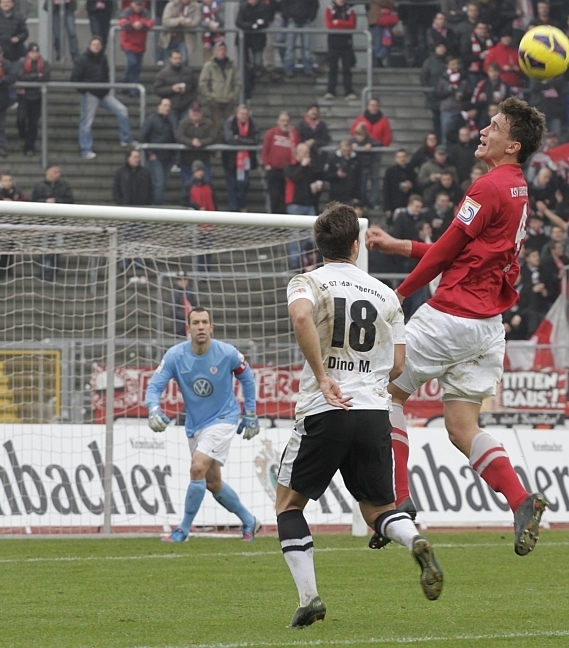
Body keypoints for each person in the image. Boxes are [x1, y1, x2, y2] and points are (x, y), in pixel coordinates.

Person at [364, 97, 549, 555]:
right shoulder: (516, 188)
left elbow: (448, 250)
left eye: (495, 127)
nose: (484, 131)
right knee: (462, 427)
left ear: (513, 144)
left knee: (384, 392)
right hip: (487, 328)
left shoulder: (487, 187)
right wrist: (400, 245)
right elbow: (462, 250)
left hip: (450, 317)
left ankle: (398, 500)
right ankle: (520, 500)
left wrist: (400, 292)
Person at [280, 205, 443, 629]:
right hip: (373, 414)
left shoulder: (308, 281)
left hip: (326, 408)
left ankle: (309, 598)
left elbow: (301, 316)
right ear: (356, 245)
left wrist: (324, 376)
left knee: (289, 504)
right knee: (378, 510)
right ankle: (414, 538)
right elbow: (398, 365)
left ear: (319, 245)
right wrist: (366, 376)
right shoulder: (385, 294)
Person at [145, 307, 262, 544]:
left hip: (224, 418)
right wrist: (153, 409)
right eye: (196, 322)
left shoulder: (227, 353)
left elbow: (247, 378)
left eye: (204, 322)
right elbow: (154, 386)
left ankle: (182, 530)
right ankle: (249, 520)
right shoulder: (175, 356)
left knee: (197, 468)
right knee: (213, 482)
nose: (200, 326)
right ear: (188, 328)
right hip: (195, 424)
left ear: (211, 327)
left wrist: (250, 412)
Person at [71, 36, 132, 159]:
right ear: (89, 46)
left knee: (122, 110)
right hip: (90, 95)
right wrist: (85, 90)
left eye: (98, 45)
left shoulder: (103, 58)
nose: (96, 47)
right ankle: (85, 149)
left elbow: (105, 74)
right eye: (94, 44)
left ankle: (126, 139)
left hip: (103, 93)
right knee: (86, 123)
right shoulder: (82, 60)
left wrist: (106, 87)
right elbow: (74, 79)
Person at [32, 165, 74, 281]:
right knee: (44, 247)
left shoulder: (64, 186)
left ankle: (54, 269)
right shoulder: (39, 186)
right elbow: (33, 202)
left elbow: (70, 201)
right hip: (43, 222)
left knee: (58, 247)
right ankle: (46, 271)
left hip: (59, 222)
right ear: (48, 172)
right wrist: (45, 202)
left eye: (59, 172)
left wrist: (57, 201)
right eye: (55, 172)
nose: (58, 174)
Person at [222, 104, 261, 212]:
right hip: (230, 159)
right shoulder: (230, 122)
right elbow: (229, 139)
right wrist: (246, 140)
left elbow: (255, 140)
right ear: (237, 114)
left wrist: (238, 138)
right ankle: (234, 209)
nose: (244, 116)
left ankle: (241, 204)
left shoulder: (253, 124)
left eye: (246, 114)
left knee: (244, 183)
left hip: (246, 160)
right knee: (232, 185)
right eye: (242, 113)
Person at [199, 41, 241, 138]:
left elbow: (238, 83)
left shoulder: (232, 66)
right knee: (215, 126)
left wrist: (233, 96)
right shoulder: (209, 66)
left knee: (230, 125)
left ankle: (229, 143)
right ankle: (215, 145)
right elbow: (203, 83)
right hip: (214, 101)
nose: (221, 52)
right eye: (219, 50)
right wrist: (209, 96)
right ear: (215, 51)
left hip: (229, 100)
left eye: (223, 50)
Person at [140, 98, 176, 205]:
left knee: (162, 184)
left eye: (169, 106)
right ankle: (155, 207)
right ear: (159, 106)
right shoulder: (151, 120)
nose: (167, 108)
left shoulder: (171, 121)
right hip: (156, 158)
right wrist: (149, 153)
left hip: (168, 158)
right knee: (159, 184)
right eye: (165, 105)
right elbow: (142, 137)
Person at [261, 111, 299, 214]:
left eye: (287, 121)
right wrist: (267, 164)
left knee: (285, 198)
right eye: (283, 121)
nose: (285, 123)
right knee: (274, 197)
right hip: (274, 170)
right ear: (278, 121)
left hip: (288, 171)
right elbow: (264, 151)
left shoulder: (293, 135)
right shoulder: (271, 133)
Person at [14, 43, 47, 157]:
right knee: (21, 119)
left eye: (36, 52)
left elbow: (46, 77)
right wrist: (36, 76)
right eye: (32, 52)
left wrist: (30, 78)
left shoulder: (44, 63)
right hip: (24, 96)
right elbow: (20, 76)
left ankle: (30, 147)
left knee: (33, 123)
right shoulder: (22, 63)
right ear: (28, 53)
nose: (35, 54)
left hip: (37, 96)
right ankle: (23, 136)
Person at [235, 0, 273, 98]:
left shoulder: (264, 6)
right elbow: (238, 22)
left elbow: (266, 21)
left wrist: (257, 25)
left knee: (258, 62)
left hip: (258, 39)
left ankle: (251, 78)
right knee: (244, 64)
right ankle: (246, 88)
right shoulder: (243, 6)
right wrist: (252, 26)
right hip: (244, 39)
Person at [176, 101, 215, 185]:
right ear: (189, 112)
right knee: (187, 185)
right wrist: (191, 142)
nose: (195, 113)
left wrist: (201, 142)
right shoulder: (183, 123)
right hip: (187, 160)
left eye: (198, 111)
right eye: (193, 111)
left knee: (206, 184)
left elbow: (212, 138)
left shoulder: (208, 123)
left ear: (201, 112)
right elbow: (179, 137)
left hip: (203, 160)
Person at [118, 0, 153, 94]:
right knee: (132, 62)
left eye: (140, 5)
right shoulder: (127, 11)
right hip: (128, 43)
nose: (139, 7)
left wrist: (142, 24)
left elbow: (150, 23)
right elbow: (121, 22)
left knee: (137, 68)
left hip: (140, 44)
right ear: (132, 4)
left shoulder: (146, 12)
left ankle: (133, 90)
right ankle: (125, 79)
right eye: (137, 4)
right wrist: (132, 24)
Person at [323, 0, 356, 100]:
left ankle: (349, 91)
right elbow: (329, 25)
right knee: (332, 68)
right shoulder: (329, 9)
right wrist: (344, 24)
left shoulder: (350, 10)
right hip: (333, 43)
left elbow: (352, 25)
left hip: (347, 44)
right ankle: (330, 91)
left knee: (347, 69)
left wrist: (338, 22)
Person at [282, 0, 318, 77]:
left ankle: (307, 69)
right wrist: (288, 17)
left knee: (305, 47)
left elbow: (315, 4)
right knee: (291, 46)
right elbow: (284, 4)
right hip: (293, 21)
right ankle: (290, 69)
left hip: (305, 21)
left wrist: (311, 17)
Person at [160, 0, 203, 64]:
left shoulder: (195, 6)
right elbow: (165, 21)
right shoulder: (171, 5)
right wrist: (178, 21)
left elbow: (197, 20)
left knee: (184, 60)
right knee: (169, 62)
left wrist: (189, 24)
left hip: (185, 38)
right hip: (169, 38)